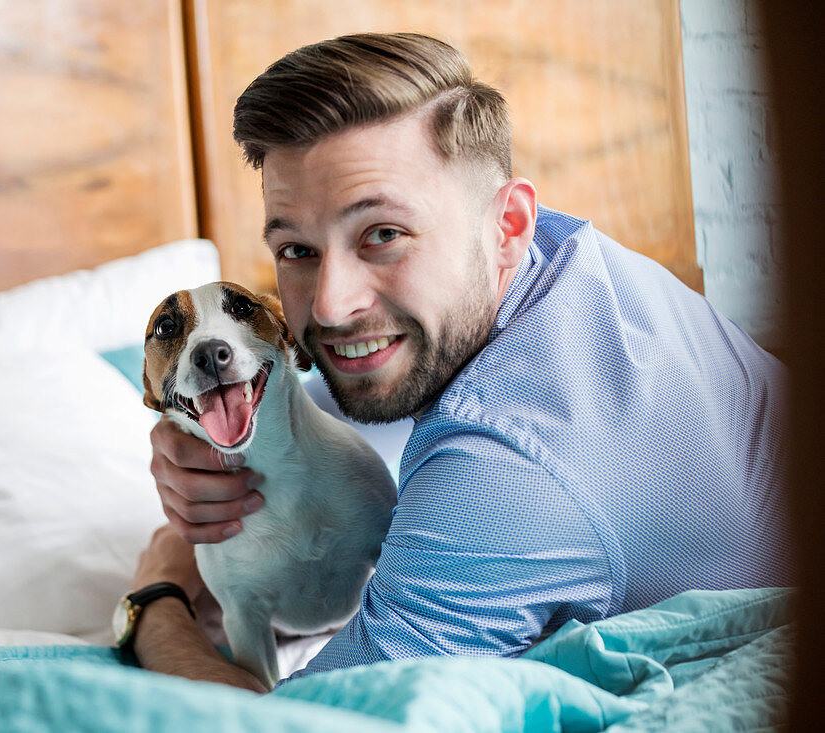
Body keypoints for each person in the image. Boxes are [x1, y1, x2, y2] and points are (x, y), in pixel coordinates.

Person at [126, 32, 793, 692]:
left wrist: (158, 591)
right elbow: (351, 385)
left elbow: (300, 721)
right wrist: (220, 431)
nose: (330, 305)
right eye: (298, 250)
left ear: (506, 224)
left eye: (382, 234)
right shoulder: (562, 264)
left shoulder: (500, 475)